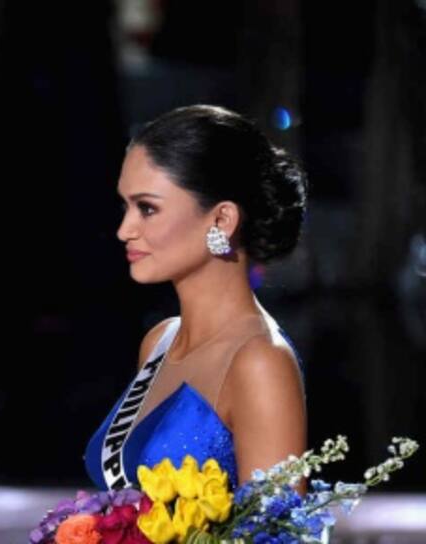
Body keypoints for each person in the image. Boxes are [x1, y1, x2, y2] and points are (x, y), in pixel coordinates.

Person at [84, 105, 308, 492]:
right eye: (126, 206)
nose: (124, 230)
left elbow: (280, 523)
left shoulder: (260, 362)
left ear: (222, 220)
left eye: (147, 208)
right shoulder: (159, 342)